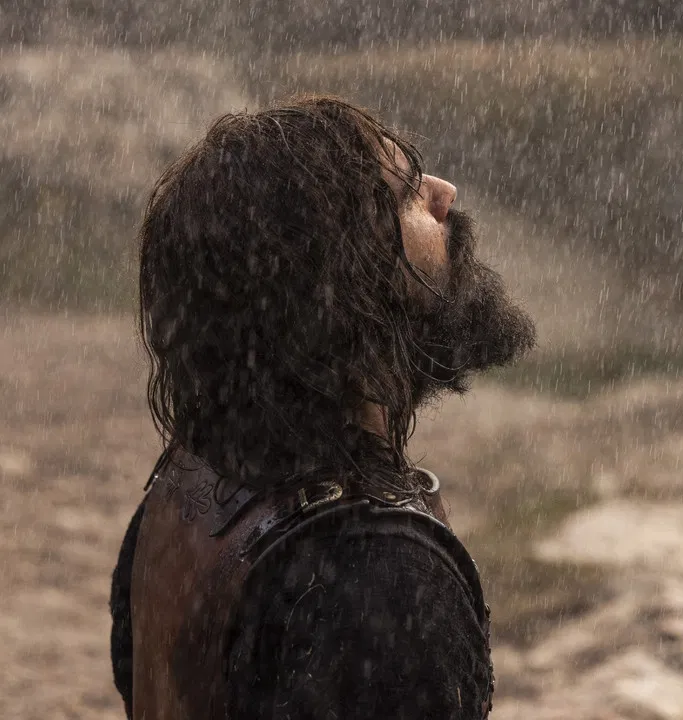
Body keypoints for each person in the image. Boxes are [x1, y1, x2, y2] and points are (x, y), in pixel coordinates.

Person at [108, 95, 537, 719]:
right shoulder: (380, 579)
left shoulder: (193, 482)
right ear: (342, 276)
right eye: (406, 193)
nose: (443, 194)